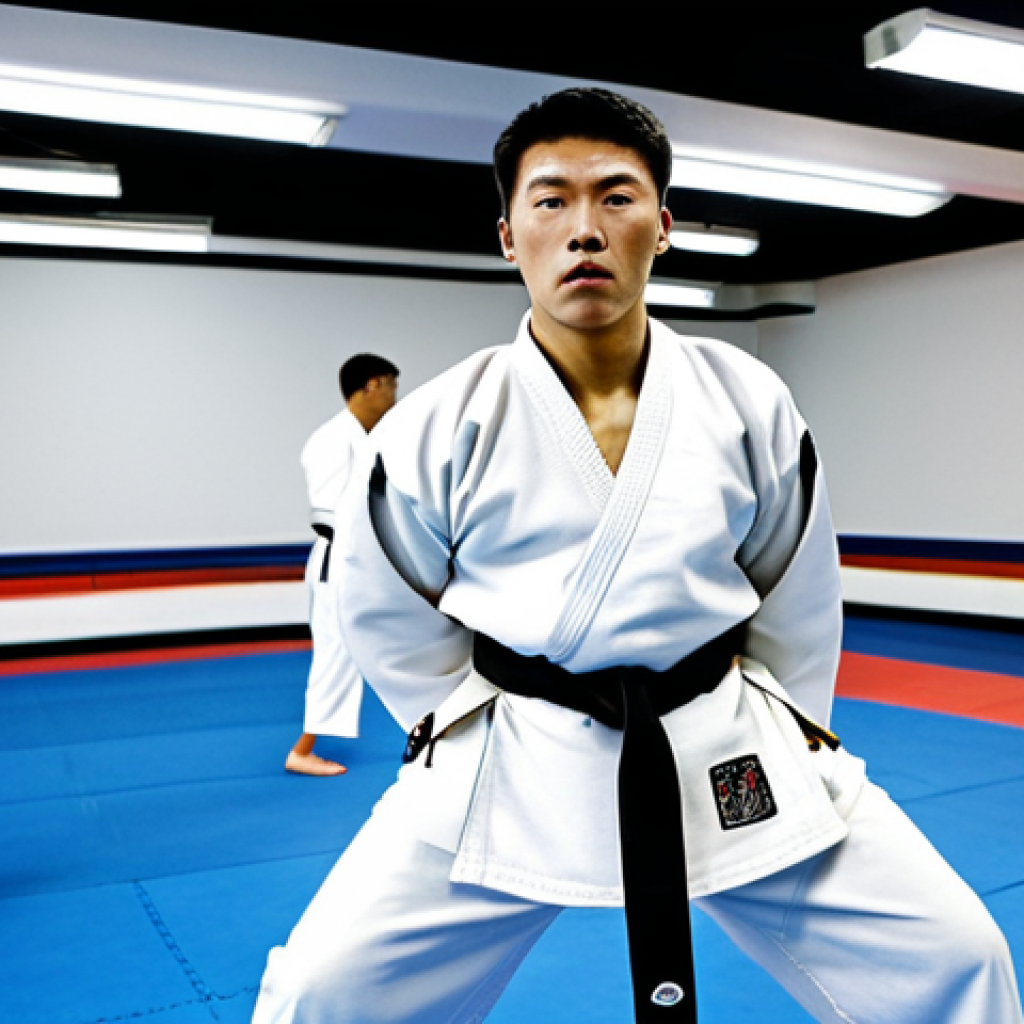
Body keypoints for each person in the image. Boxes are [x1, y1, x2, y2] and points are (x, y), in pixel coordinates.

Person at [254, 89, 1021, 1021]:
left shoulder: (747, 398)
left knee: (958, 956)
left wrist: (781, 727)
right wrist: (470, 722)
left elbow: (797, 595)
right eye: (551, 201)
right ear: (508, 235)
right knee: (320, 988)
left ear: (661, 227)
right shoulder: (436, 425)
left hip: (720, 740)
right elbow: (387, 613)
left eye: (616, 198)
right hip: (515, 751)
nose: (585, 229)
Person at [284, 353, 399, 776]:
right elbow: (329, 513)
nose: (394, 396)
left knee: (395, 644)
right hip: (340, 561)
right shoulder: (331, 439)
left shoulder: (369, 437)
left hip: (363, 562)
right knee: (337, 653)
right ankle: (301, 750)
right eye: (390, 385)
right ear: (371, 385)